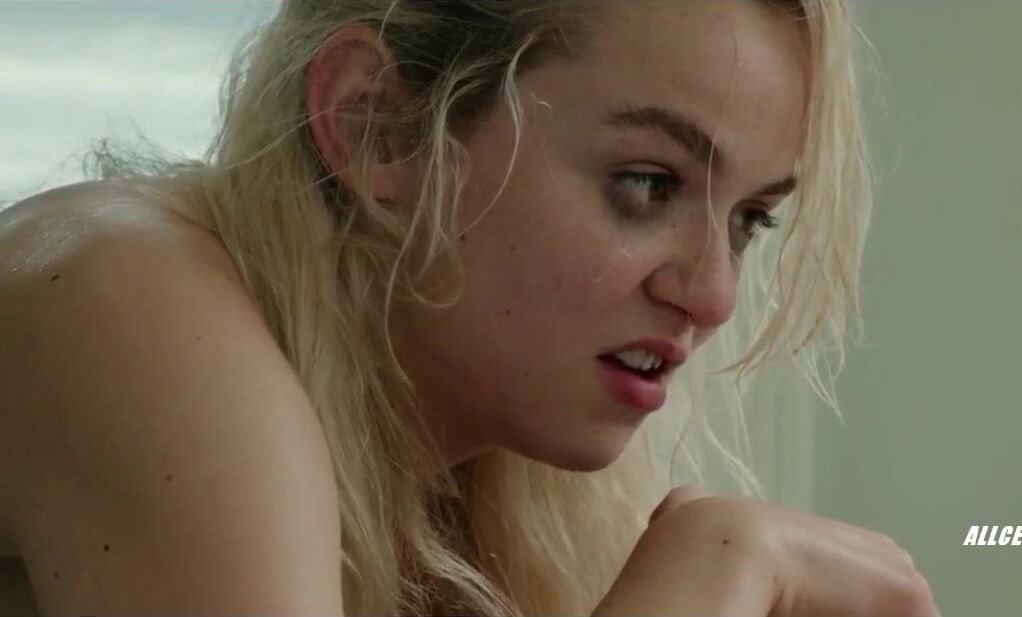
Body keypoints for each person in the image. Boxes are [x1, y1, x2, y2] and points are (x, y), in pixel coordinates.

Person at [0, 0, 939, 615]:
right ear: (379, 124)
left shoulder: (498, 480)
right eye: (647, 184)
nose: (713, 294)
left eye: (750, 220)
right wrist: (712, 570)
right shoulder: (122, 294)